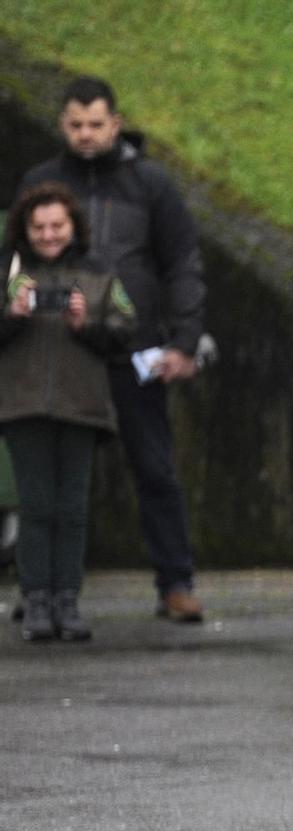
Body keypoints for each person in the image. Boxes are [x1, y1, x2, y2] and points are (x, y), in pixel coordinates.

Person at [21, 76, 205, 623]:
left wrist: (186, 338)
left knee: (154, 466)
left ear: (116, 124)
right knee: (50, 481)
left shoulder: (151, 184)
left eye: (95, 124)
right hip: (58, 347)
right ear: (61, 125)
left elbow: (182, 262)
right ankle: (44, 589)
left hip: (134, 345)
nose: (85, 134)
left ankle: (176, 582)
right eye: (75, 125)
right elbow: (15, 258)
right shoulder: (41, 180)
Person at [2, 182, 134, 643]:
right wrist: (12, 316)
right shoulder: (10, 271)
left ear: (73, 226)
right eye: (38, 227)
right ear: (24, 229)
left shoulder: (98, 272)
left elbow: (124, 331)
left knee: (72, 509)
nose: (48, 234)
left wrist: (85, 325)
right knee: (37, 506)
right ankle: (36, 597)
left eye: (57, 225)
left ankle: (68, 599)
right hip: (24, 405)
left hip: (82, 406)